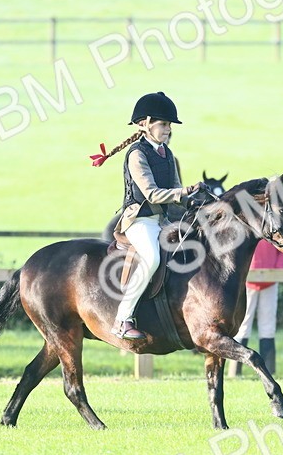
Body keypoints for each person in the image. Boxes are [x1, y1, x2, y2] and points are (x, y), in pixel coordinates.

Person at [90, 91, 210, 340]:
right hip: (139, 222)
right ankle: (122, 320)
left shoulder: (167, 154)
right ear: (145, 124)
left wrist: (196, 200)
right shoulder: (137, 154)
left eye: (169, 125)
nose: (168, 130)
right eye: (164, 124)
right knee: (153, 258)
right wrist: (183, 192)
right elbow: (153, 194)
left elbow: (177, 194)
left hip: (162, 221)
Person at [232, 239, 283, 376]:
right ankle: (235, 370)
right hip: (246, 280)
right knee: (243, 324)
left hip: (270, 281)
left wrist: (277, 270)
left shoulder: (273, 227)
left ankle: (269, 370)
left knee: (268, 325)